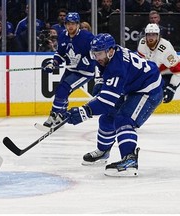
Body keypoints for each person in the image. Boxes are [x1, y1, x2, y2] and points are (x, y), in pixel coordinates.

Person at [68, 33, 164, 177]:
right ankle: (103, 151)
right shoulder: (107, 56)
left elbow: (106, 102)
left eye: (99, 54)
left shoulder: (117, 67)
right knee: (107, 119)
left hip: (149, 89)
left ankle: (129, 159)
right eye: (94, 54)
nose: (96, 57)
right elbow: (102, 74)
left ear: (111, 51)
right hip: (132, 86)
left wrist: (84, 111)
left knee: (123, 119)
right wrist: (100, 83)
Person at [41, 12, 96, 129]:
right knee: (61, 92)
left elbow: (95, 53)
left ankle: (54, 115)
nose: (70, 26)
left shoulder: (87, 37)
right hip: (71, 70)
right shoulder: (63, 36)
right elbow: (60, 54)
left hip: (84, 72)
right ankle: (61, 114)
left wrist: (86, 61)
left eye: (73, 24)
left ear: (78, 24)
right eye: (68, 24)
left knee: (63, 88)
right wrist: (53, 63)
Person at [138, 23, 180, 103]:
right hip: (154, 73)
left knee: (155, 94)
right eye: (149, 35)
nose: (151, 38)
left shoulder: (166, 49)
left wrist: (172, 87)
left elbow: (178, 70)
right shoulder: (142, 43)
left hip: (167, 74)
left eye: (153, 35)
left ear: (158, 36)